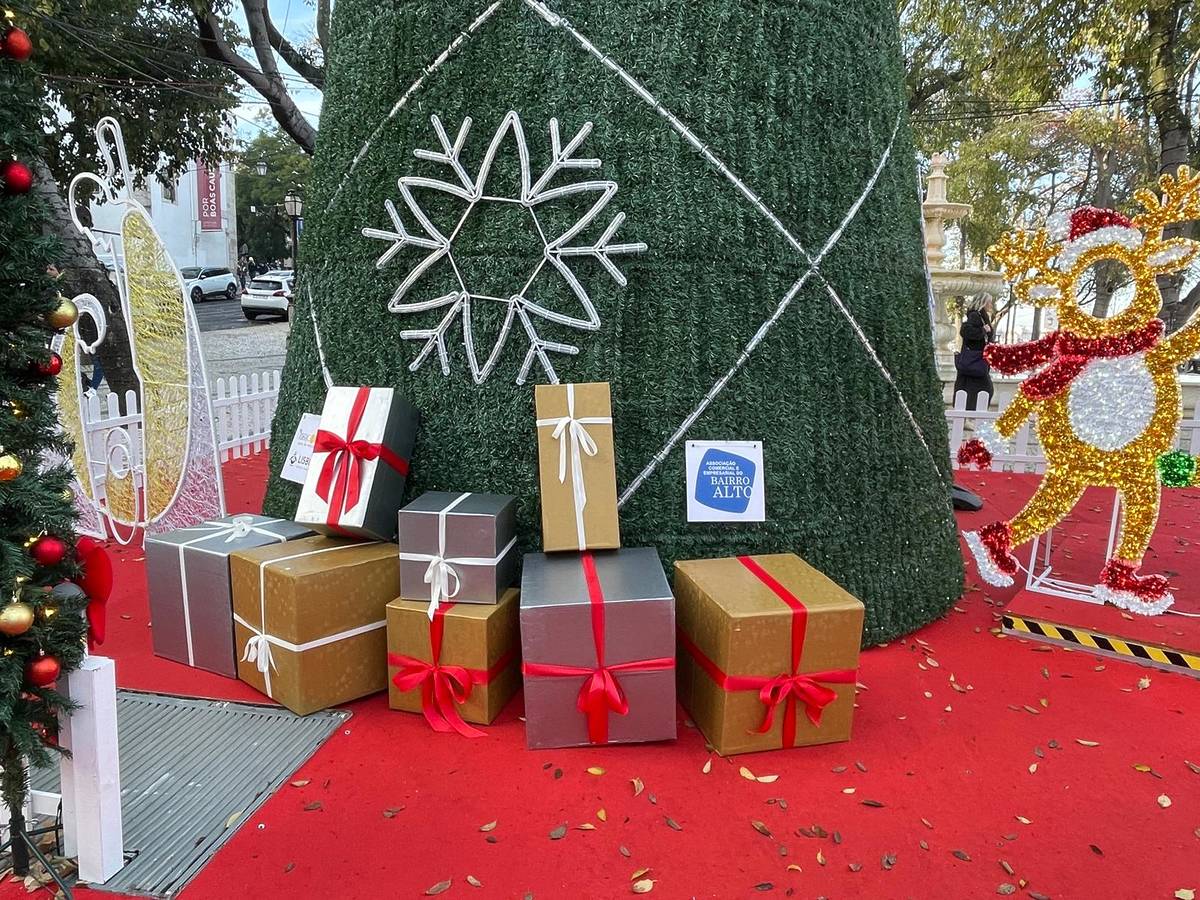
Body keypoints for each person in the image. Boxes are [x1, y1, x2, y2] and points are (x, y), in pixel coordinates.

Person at [953, 294, 994, 411]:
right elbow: (966, 331)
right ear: (983, 303)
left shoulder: (981, 316)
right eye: (989, 302)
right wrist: (983, 330)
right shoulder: (976, 316)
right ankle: (968, 417)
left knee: (967, 389)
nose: (991, 305)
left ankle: (967, 416)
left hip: (973, 360)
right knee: (985, 388)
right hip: (975, 360)